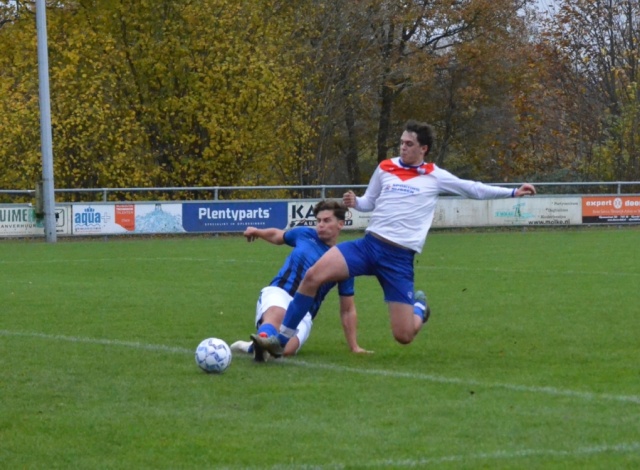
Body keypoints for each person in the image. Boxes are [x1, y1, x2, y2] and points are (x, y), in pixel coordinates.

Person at [253, 119, 537, 357]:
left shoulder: (434, 175)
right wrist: (356, 201)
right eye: (401, 142)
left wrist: (512, 192)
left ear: (423, 148)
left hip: (398, 259)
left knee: (404, 336)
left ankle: (419, 307)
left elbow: (472, 189)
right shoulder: (386, 167)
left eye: (409, 143)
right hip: (368, 246)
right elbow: (369, 203)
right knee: (313, 276)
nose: (403, 147)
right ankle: (280, 340)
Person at [230, 200, 370, 361]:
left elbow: (347, 309)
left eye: (326, 220)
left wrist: (354, 347)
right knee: (276, 317)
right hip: (280, 292)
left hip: (305, 313)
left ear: (340, 224)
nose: (320, 225)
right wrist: (257, 231)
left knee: (285, 350)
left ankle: (252, 346)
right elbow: (278, 235)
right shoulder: (304, 234)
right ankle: (263, 338)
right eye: (318, 221)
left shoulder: (343, 261)